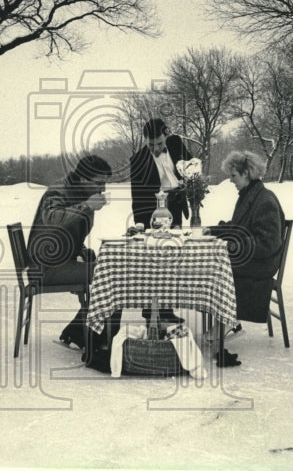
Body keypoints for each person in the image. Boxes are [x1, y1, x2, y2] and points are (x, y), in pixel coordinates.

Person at [27, 154, 116, 349]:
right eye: (99, 183)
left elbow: (67, 232)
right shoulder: (58, 191)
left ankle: (81, 333)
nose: (103, 189)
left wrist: (81, 250)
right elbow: (51, 218)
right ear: (83, 178)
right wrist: (86, 206)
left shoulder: (81, 192)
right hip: (45, 268)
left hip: (60, 261)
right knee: (111, 274)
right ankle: (96, 340)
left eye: (105, 184)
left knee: (109, 268)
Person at [211, 150, 286, 352]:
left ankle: (228, 323)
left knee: (218, 270)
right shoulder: (250, 195)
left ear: (246, 173)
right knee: (215, 266)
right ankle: (227, 321)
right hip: (252, 257)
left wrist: (235, 245)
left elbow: (267, 243)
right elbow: (240, 227)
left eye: (233, 176)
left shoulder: (265, 200)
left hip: (262, 263)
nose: (230, 180)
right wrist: (215, 230)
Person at [129, 117, 193, 324]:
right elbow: (136, 196)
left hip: (176, 203)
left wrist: (190, 185)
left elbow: (192, 168)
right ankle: (151, 312)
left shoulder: (175, 144)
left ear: (166, 135)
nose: (156, 148)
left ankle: (166, 310)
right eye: (151, 144)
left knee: (172, 257)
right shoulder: (138, 160)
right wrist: (140, 225)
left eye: (159, 143)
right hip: (152, 211)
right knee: (152, 262)